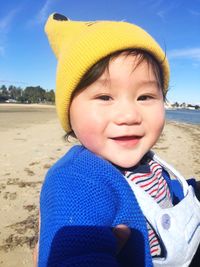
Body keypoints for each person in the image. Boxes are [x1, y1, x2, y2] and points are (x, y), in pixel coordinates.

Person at [36, 13, 200, 267]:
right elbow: (74, 256)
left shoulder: (147, 162)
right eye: (104, 97)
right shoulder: (77, 181)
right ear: (69, 111)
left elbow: (170, 192)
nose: (130, 115)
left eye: (145, 97)